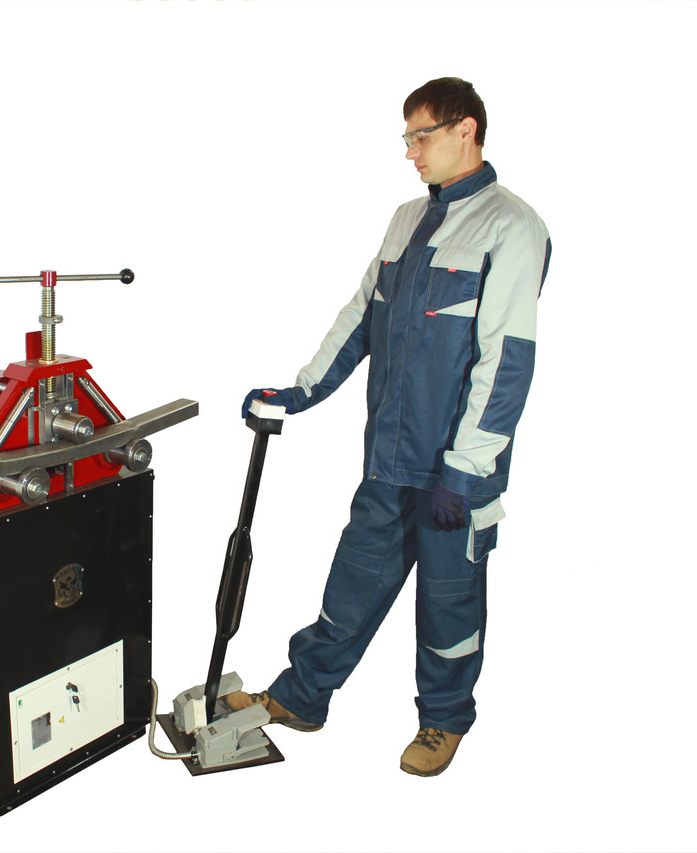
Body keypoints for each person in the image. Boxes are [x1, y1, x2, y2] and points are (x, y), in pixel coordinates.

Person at [230, 77, 551, 777]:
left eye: (421, 135)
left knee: (447, 601)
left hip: (454, 470)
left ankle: (443, 720)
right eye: (406, 138)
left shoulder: (511, 227)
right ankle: (302, 696)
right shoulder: (407, 218)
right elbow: (361, 316)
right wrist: (303, 389)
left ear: (465, 130)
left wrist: (468, 467)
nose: (410, 152)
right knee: (353, 583)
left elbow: (506, 361)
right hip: (390, 456)